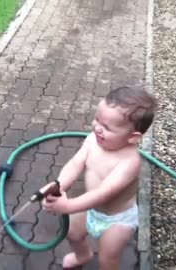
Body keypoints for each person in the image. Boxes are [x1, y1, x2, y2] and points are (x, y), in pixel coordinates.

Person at [42, 86, 157, 269]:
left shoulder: (130, 162)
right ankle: (82, 255)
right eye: (97, 120)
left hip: (116, 220)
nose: (97, 128)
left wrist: (68, 206)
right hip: (90, 208)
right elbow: (75, 164)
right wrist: (59, 185)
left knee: (107, 260)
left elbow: (105, 193)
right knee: (73, 234)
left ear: (133, 138)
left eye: (107, 127)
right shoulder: (92, 140)